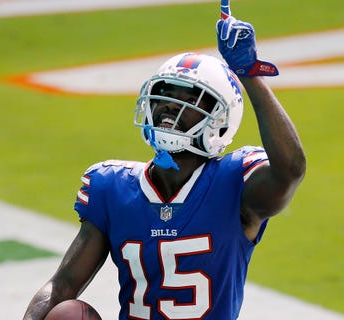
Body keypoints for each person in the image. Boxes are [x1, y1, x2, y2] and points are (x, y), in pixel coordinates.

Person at [23, 14, 306, 320]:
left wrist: (250, 74)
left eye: (191, 99)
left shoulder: (233, 185)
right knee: (66, 314)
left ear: (220, 122)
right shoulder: (111, 186)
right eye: (166, 94)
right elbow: (63, 284)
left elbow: (290, 169)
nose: (172, 105)